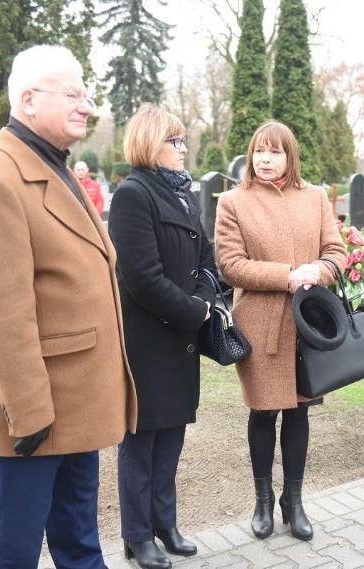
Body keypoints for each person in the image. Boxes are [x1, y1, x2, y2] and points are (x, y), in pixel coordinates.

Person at [0, 44, 136, 568]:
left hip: (76, 399)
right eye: (74, 94)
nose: (86, 105)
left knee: (79, 539)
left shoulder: (53, 167)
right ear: (29, 101)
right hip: (35, 411)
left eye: (86, 94)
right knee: (18, 550)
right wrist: (29, 414)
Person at [214, 121, 347, 541]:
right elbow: (231, 265)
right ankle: (262, 499)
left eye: (274, 152)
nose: (265, 160)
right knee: (262, 410)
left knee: (299, 409)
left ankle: (294, 499)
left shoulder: (315, 197)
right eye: (259, 151)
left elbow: (336, 252)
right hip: (260, 324)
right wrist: (287, 274)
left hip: (307, 324)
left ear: (290, 156)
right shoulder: (234, 202)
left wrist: (319, 271)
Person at [108, 104, 215, 569]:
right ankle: (136, 535)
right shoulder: (133, 195)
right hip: (148, 341)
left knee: (171, 436)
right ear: (151, 143)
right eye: (174, 141)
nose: (183, 148)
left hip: (181, 340)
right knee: (141, 440)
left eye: (182, 140)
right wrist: (195, 311)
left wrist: (207, 295)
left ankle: (165, 524)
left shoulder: (182, 195)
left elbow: (206, 260)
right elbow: (141, 278)